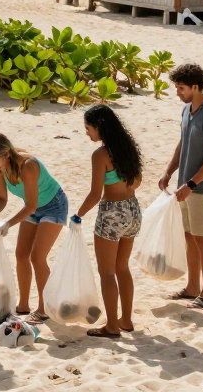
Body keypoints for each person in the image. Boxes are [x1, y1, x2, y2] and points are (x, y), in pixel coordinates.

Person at [72, 104, 144, 338]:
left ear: (99, 127)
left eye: (88, 128)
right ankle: (126, 320)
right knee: (122, 267)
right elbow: (137, 182)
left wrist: (78, 215)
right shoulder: (128, 149)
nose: (86, 133)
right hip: (132, 210)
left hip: (112, 213)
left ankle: (112, 325)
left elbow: (95, 193)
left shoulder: (100, 155)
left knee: (107, 273)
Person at [159, 63, 203, 310]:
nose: (177, 92)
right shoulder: (187, 110)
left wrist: (191, 184)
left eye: (181, 88)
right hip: (185, 186)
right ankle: (192, 288)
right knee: (189, 238)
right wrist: (169, 171)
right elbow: (182, 143)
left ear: (195, 87)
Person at [0, 133, 68, 324]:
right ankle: (23, 305)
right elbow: (1, 198)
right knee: (21, 254)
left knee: (37, 257)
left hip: (54, 205)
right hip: (32, 207)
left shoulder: (28, 165)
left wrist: (7, 223)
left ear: (6, 154)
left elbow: (30, 206)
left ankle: (44, 308)